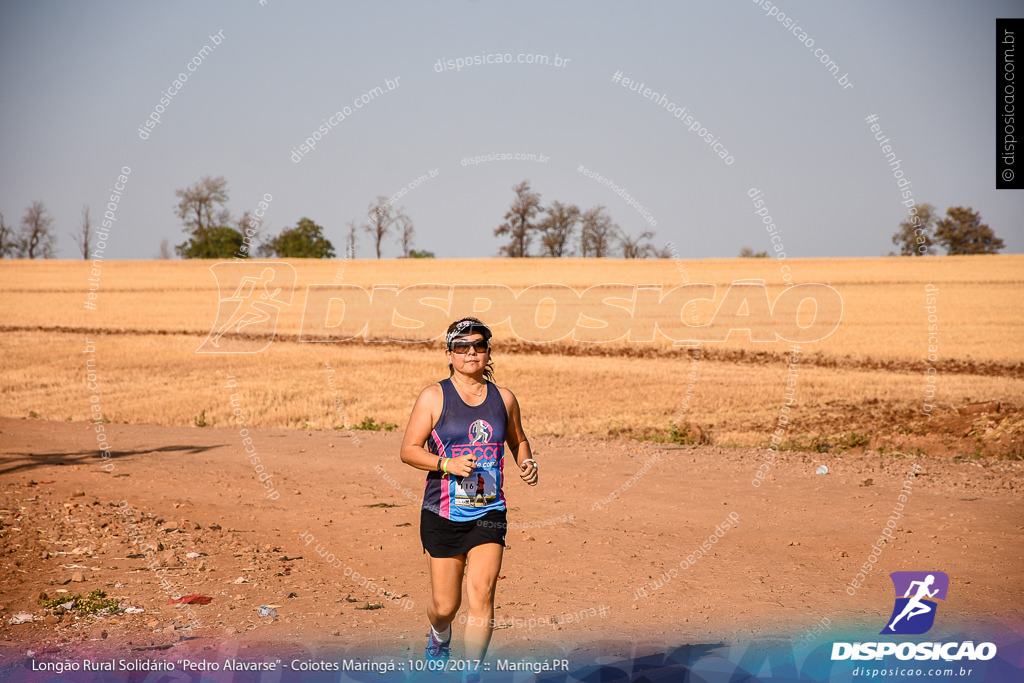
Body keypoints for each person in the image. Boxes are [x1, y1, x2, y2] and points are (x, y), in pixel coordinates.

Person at [400, 317, 538, 670]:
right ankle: (439, 634)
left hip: (489, 511)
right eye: (462, 346)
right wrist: (448, 464)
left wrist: (527, 461)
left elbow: (518, 440)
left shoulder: (503, 398)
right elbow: (410, 450)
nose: (471, 352)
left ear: (488, 352)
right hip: (442, 513)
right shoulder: (434, 396)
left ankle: (470, 673)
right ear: (449, 354)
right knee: (446, 606)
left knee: (483, 594)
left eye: (478, 345)